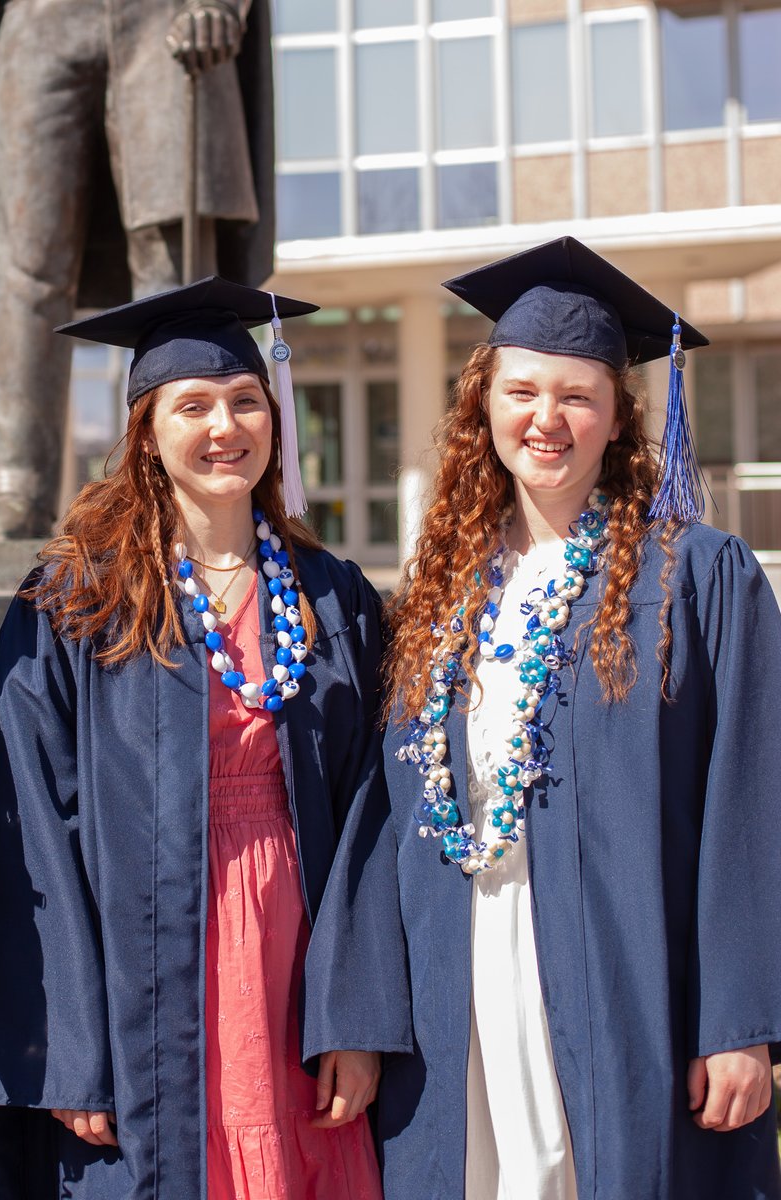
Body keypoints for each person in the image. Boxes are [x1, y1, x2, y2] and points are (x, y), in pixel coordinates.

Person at [310, 236, 781, 1198]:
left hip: (627, 975)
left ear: (619, 419)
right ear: (482, 406)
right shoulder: (441, 594)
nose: (547, 419)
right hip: (461, 972)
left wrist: (740, 1020)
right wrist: (358, 1013)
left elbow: (753, 801)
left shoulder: (697, 577)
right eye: (522, 391)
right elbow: (378, 815)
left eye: (577, 396)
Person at [0, 277, 399, 1198]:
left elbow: (375, 817)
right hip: (142, 962)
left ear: (274, 421)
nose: (225, 426)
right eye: (194, 405)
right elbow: (32, 834)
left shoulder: (333, 597)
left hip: (299, 960)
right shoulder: (77, 602)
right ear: (145, 432)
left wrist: (356, 1015)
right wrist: (69, 1045)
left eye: (246, 401)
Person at [0, 0, 276, 537]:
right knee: (24, 267)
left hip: (165, 20)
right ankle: (16, 491)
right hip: (39, 23)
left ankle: (179, 492)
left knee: (172, 262)